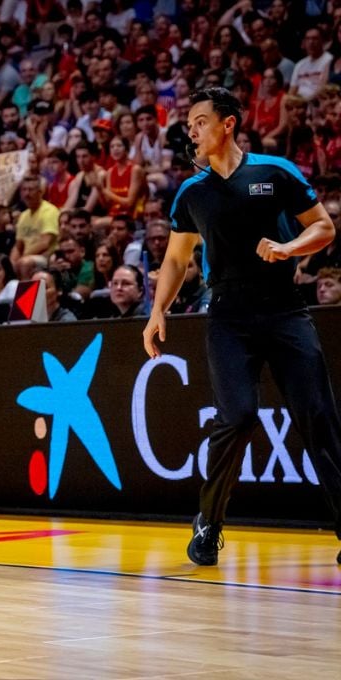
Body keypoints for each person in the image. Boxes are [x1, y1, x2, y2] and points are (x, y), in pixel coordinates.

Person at [143, 87, 341, 567]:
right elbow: (175, 259)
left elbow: (324, 228)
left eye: (199, 121)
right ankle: (208, 524)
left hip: (285, 310)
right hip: (228, 316)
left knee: (318, 416)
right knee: (238, 417)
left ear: (227, 124)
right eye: (189, 125)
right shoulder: (192, 192)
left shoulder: (274, 172)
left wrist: (289, 249)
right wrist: (157, 311)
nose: (191, 131)